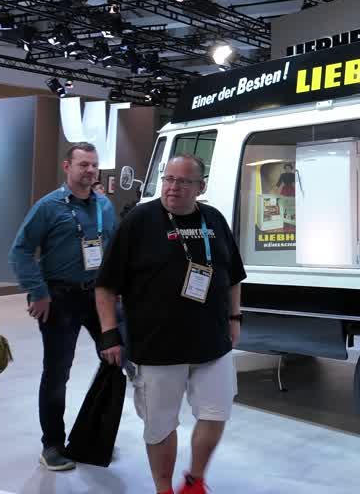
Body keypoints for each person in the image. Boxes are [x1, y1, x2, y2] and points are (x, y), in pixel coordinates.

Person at [95, 155, 246, 494]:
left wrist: (235, 318)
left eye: (184, 181)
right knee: (160, 425)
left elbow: (233, 276)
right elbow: (106, 285)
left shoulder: (214, 220)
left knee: (216, 412)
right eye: (169, 179)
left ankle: (194, 480)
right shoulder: (139, 221)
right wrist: (109, 334)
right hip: (157, 345)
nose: (173, 187)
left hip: (212, 341)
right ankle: (164, 489)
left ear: (200, 187)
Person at [9, 142, 119, 472]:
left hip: (98, 296)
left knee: (116, 357)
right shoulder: (49, 207)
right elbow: (21, 252)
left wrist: (118, 290)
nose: (90, 170)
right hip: (60, 298)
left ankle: (91, 437)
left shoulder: (105, 206)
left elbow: (112, 251)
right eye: (83, 164)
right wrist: (38, 292)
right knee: (58, 373)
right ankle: (52, 445)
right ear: (67, 167)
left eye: (94, 165)